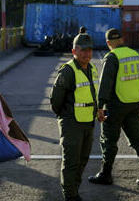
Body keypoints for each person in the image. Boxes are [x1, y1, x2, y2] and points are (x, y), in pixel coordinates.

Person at [88, 28, 139, 186]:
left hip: (116, 105)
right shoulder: (135, 54)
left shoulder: (112, 57)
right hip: (134, 103)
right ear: (122, 39)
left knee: (108, 140)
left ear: (108, 43)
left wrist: (100, 107)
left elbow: (105, 85)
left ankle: (106, 174)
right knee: (136, 138)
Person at [50, 32, 98, 201]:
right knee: (71, 162)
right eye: (83, 50)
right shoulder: (68, 71)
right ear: (74, 51)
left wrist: (97, 110)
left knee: (82, 160)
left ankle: (74, 190)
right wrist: (65, 116)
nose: (87, 54)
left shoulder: (91, 68)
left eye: (90, 50)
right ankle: (70, 196)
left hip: (88, 121)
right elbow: (56, 100)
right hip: (72, 122)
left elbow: (93, 93)